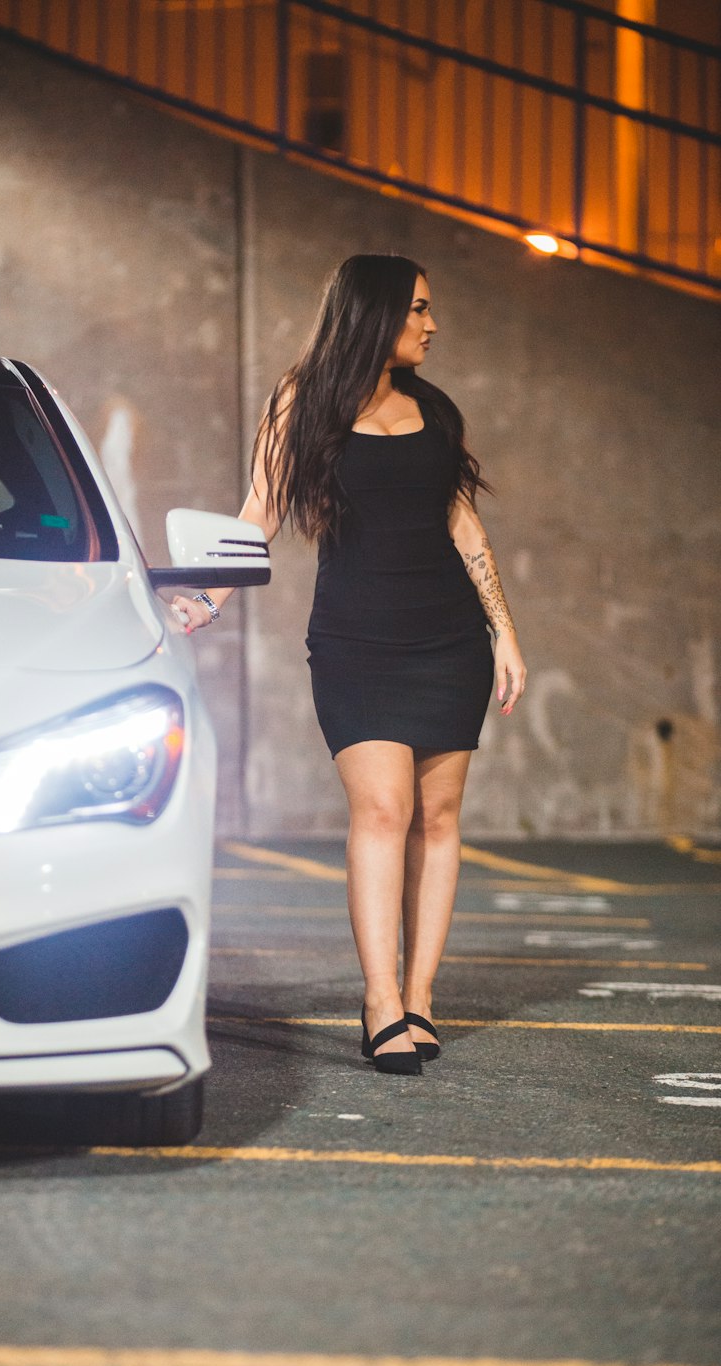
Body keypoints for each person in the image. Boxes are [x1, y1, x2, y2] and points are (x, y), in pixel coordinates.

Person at [172, 253, 526, 1076]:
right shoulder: (305, 399)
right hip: (356, 642)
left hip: (448, 640)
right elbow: (259, 509)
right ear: (375, 314)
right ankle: (379, 1003)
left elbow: (463, 526)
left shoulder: (435, 410)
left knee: (438, 821)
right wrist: (208, 598)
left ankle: (421, 999)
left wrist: (504, 631)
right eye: (420, 311)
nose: (432, 325)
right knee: (381, 810)